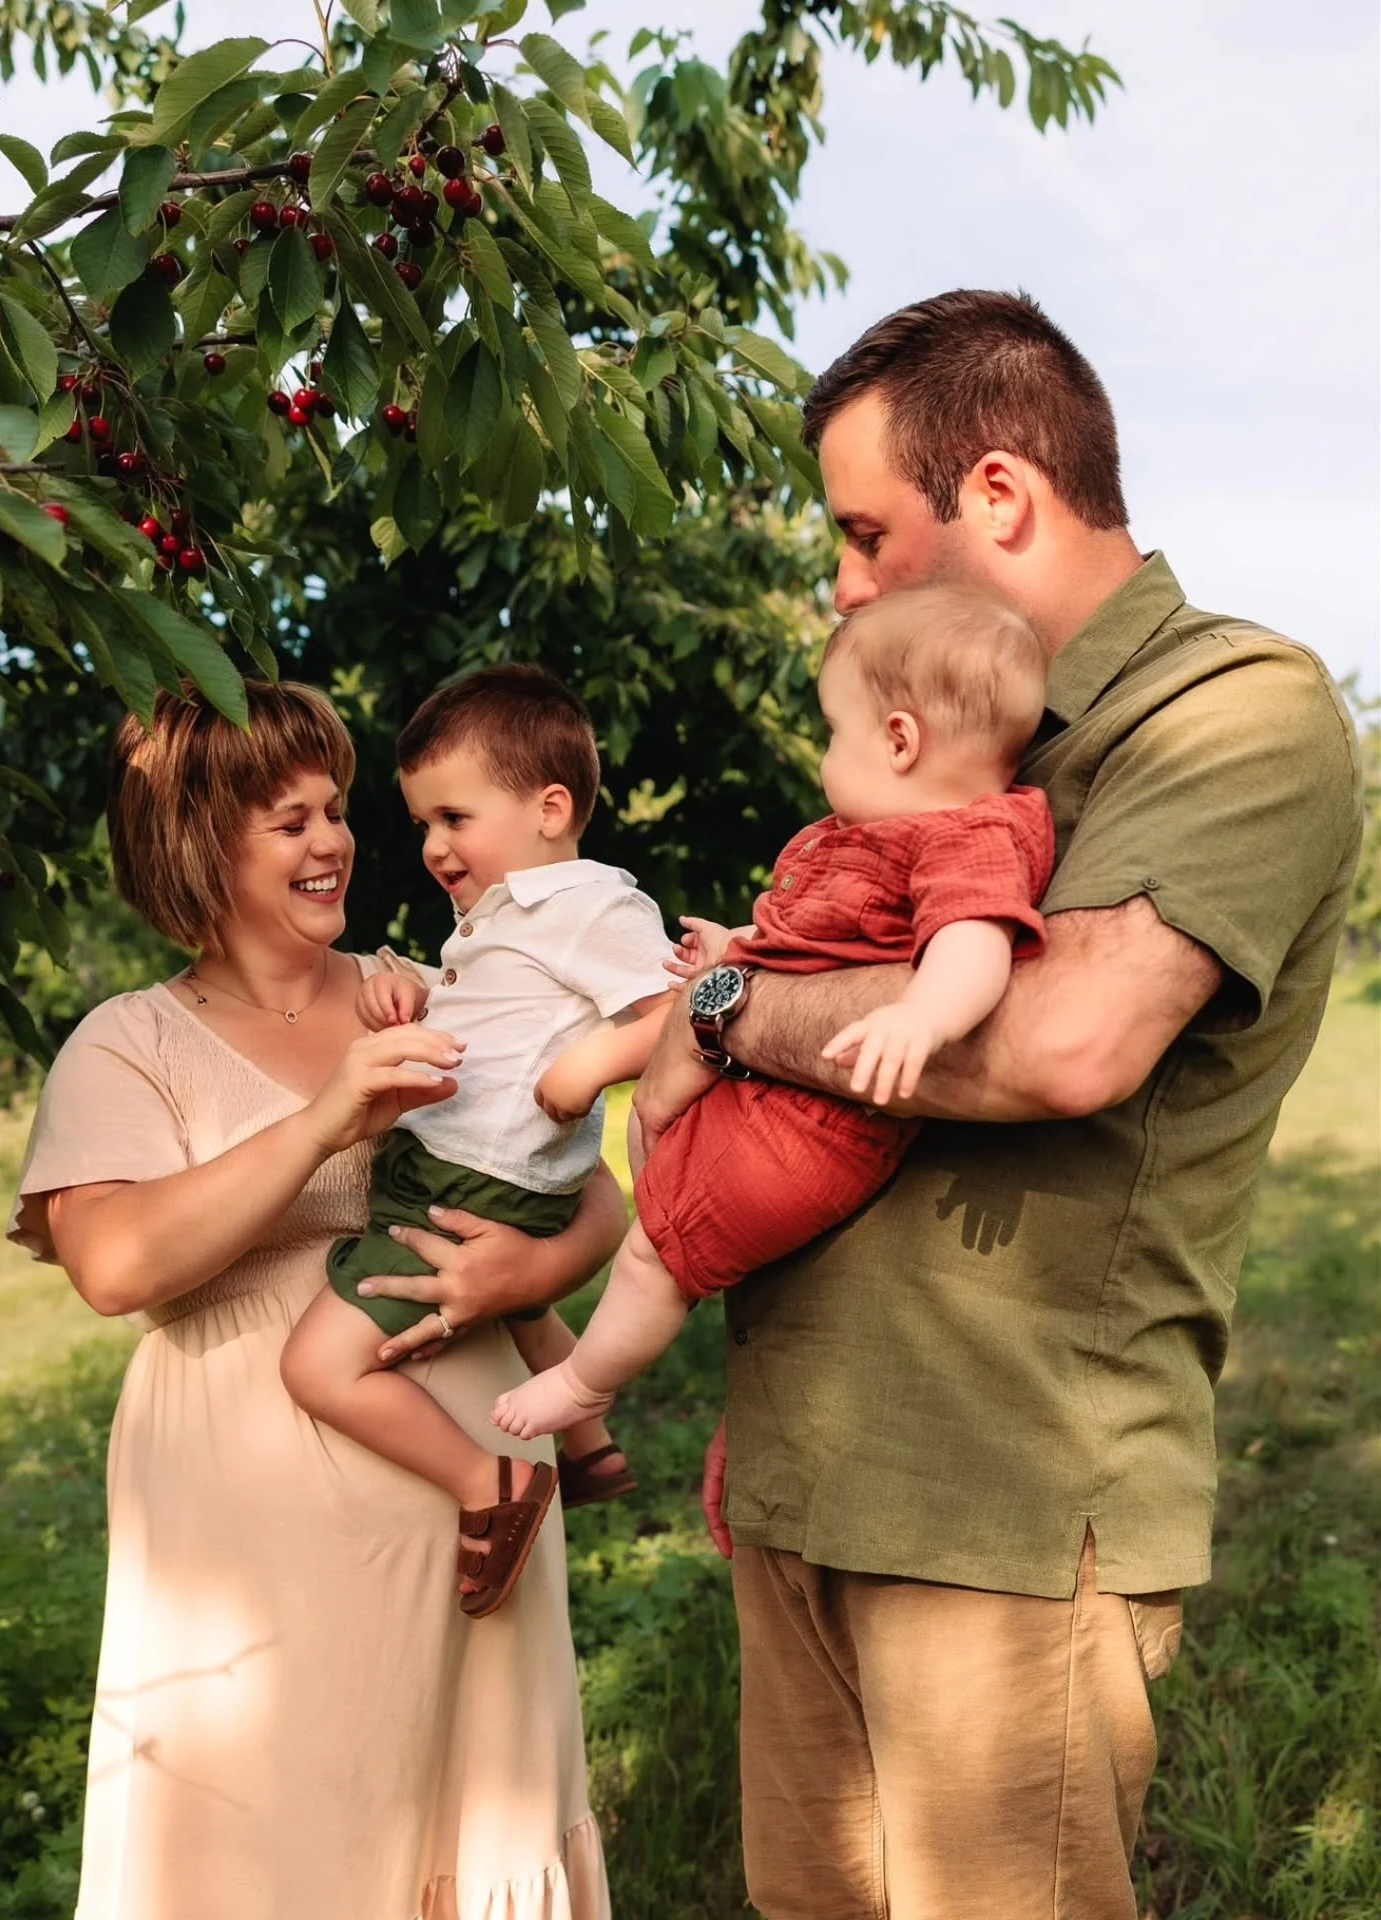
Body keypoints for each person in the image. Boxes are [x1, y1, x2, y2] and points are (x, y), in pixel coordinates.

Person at [632, 290, 1364, 1920]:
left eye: (865, 531)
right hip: (806, 1480)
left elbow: (1061, 1041)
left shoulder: (1233, 708)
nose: (842, 582)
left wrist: (727, 1010)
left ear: (1004, 497)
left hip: (1001, 1520)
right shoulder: (935, 733)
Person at [8, 683, 614, 1920]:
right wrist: (326, 1119)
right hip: (254, 1561)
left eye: (334, 811)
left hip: (479, 1536)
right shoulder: (129, 1044)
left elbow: (589, 1191)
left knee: (481, 1825)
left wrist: (526, 1275)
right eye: (289, 821)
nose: (332, 841)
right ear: (198, 844)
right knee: (276, 1853)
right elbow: (116, 1264)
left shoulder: (428, 986)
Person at [493, 586, 1053, 1440]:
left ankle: (584, 1385)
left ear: (900, 739)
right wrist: (738, 948)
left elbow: (972, 942)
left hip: (818, 1127)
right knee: (662, 1184)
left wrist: (924, 1018)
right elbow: (818, 939)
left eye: (836, 729)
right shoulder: (872, 834)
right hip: (768, 1094)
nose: (828, 752)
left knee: (656, 1259)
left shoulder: (961, 836)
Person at [279, 666, 674, 1616]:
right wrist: (409, 990)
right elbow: (504, 1013)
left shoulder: (589, 905)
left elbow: (679, 1009)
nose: (433, 846)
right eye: (422, 824)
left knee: (316, 1367)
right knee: (508, 1298)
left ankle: (488, 1484)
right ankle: (589, 1445)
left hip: (480, 1171)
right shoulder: (505, 916)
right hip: (472, 1163)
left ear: (550, 808)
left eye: (454, 818)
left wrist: (585, 1072)